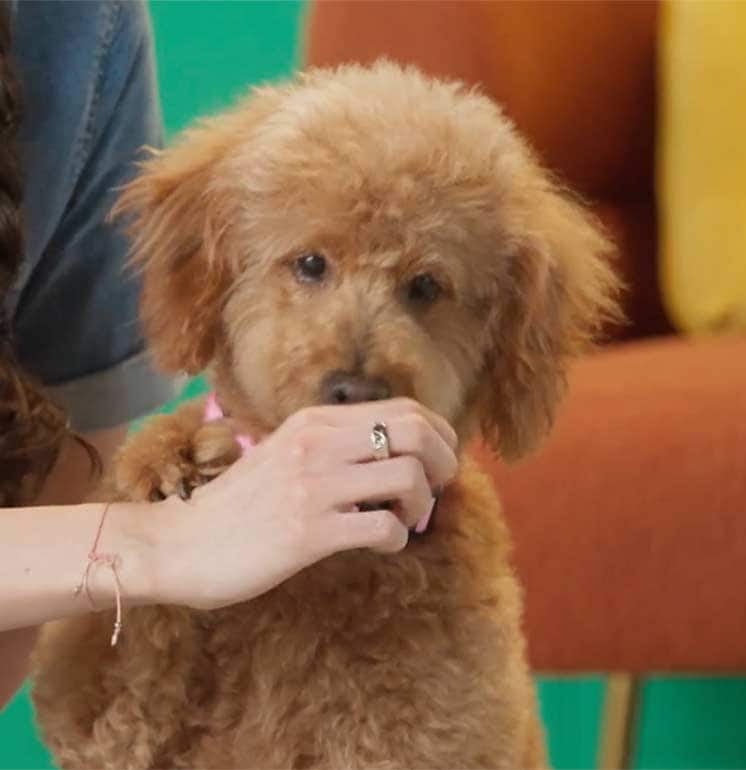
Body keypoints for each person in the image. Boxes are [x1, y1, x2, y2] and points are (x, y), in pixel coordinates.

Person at [0, 1, 457, 708]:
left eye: (423, 288)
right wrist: (158, 545)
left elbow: (67, 451)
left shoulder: (81, 25)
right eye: (309, 266)